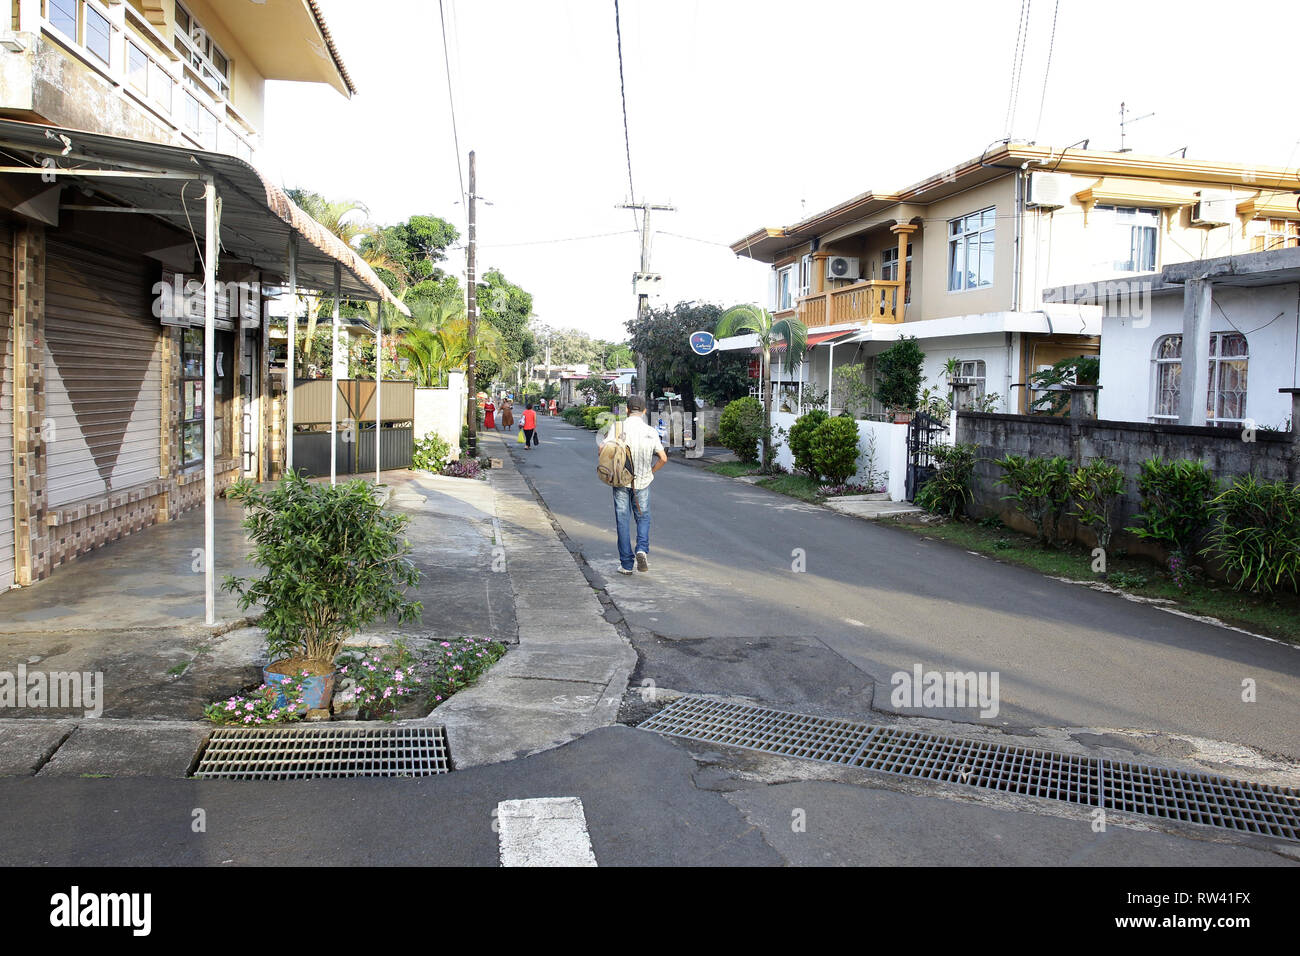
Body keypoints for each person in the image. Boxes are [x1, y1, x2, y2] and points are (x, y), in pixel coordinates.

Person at [596, 395, 666, 575]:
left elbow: (602, 449)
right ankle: (642, 549)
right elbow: (663, 458)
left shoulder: (618, 427)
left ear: (627, 410)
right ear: (644, 411)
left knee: (622, 520)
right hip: (642, 482)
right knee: (643, 517)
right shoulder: (650, 431)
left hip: (620, 480)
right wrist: (651, 471)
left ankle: (626, 565)